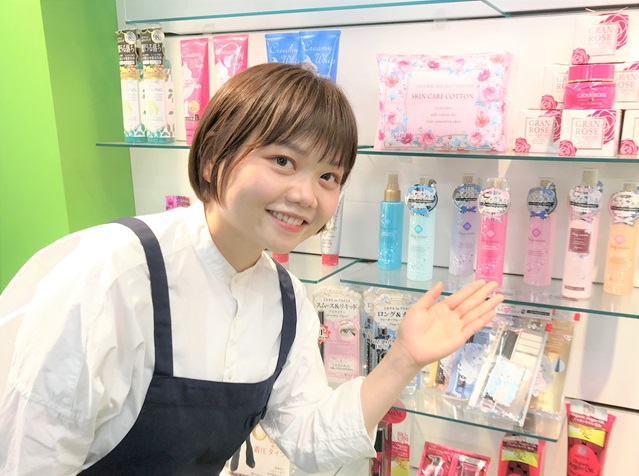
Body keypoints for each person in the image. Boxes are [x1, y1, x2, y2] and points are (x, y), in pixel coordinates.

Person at [0, 62, 503, 475]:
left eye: (329, 176)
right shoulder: (113, 274)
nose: (306, 195)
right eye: (283, 161)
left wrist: (403, 359)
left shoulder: (286, 301)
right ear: (214, 153)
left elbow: (310, 440)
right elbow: (31, 455)